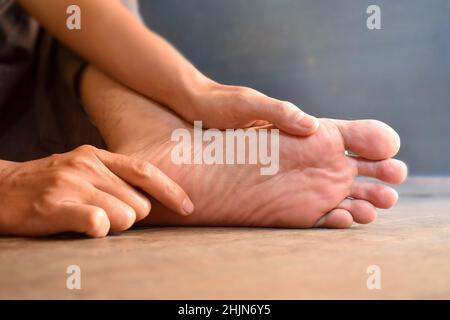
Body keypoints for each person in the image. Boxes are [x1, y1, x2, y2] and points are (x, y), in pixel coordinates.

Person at [0, 0, 407, 236]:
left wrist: (195, 92)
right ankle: (159, 161)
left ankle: (159, 141)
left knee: (73, 35)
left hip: (31, 78)